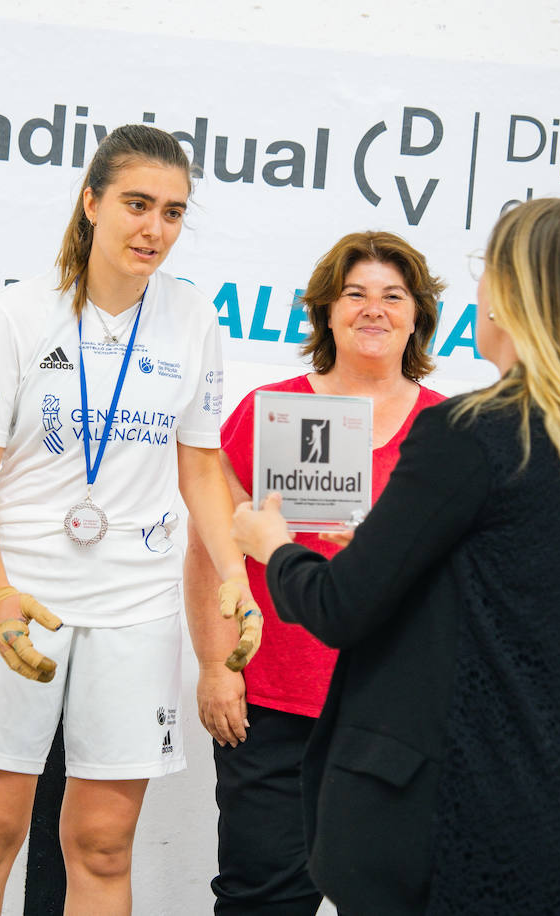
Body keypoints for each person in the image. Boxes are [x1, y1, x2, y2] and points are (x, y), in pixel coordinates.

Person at [231, 198, 560, 915]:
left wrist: (274, 547)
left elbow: (339, 607)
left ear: (506, 294)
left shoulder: (471, 432)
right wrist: (399, 551)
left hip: (469, 819)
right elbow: (522, 595)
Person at [0, 123, 261, 915]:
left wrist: (237, 574)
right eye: (137, 205)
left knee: (104, 847)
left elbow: (202, 469)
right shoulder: (18, 312)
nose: (155, 229)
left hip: (135, 606)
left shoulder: (192, 320)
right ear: (91, 202)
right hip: (22, 602)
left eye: (174, 212)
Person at [185, 231, 448, 914]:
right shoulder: (266, 413)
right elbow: (210, 551)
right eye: (354, 294)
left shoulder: (450, 432)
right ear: (326, 312)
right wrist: (216, 667)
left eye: (393, 296)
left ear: (417, 314)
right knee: (262, 901)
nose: (373, 309)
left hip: (395, 721)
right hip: (272, 707)